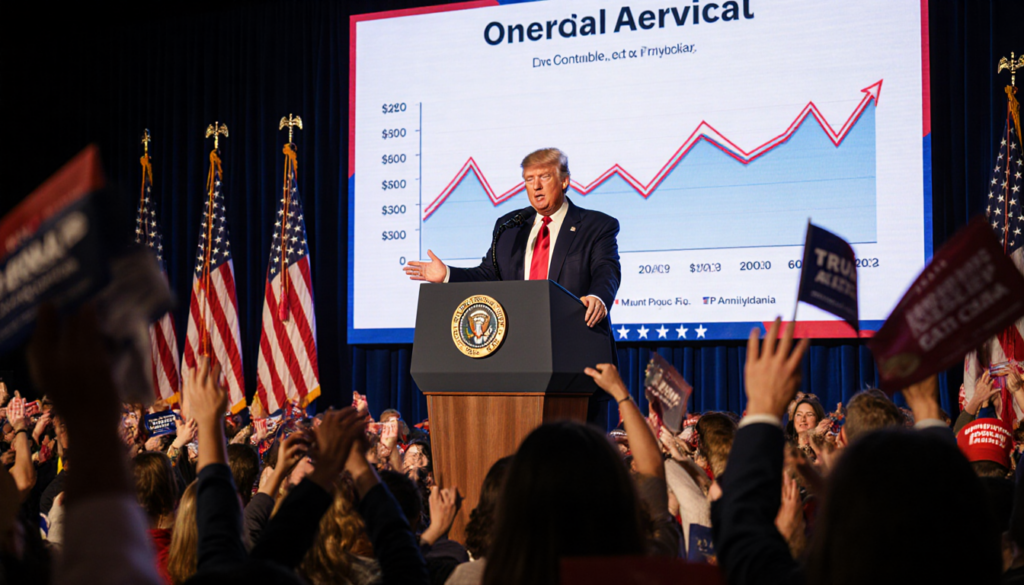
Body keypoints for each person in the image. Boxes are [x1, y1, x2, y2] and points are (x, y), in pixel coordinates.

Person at [404, 147, 621, 329]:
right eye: (529, 179)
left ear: (564, 181)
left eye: (544, 177)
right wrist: (447, 274)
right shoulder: (510, 226)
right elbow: (488, 275)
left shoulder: (596, 226)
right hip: (520, 340)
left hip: (573, 336)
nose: (536, 186)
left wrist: (599, 297)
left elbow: (606, 269)